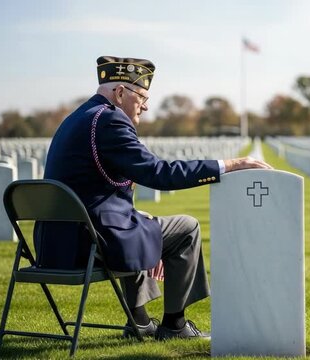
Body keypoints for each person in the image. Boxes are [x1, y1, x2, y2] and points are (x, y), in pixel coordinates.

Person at [34, 55, 272, 341]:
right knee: (186, 228)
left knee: (141, 225)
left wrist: (141, 223)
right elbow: (160, 173)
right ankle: (175, 324)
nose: (146, 106)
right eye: (142, 97)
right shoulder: (110, 120)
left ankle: (139, 321)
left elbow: (89, 189)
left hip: (55, 244)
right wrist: (228, 165)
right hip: (90, 243)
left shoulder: (78, 118)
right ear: (120, 93)